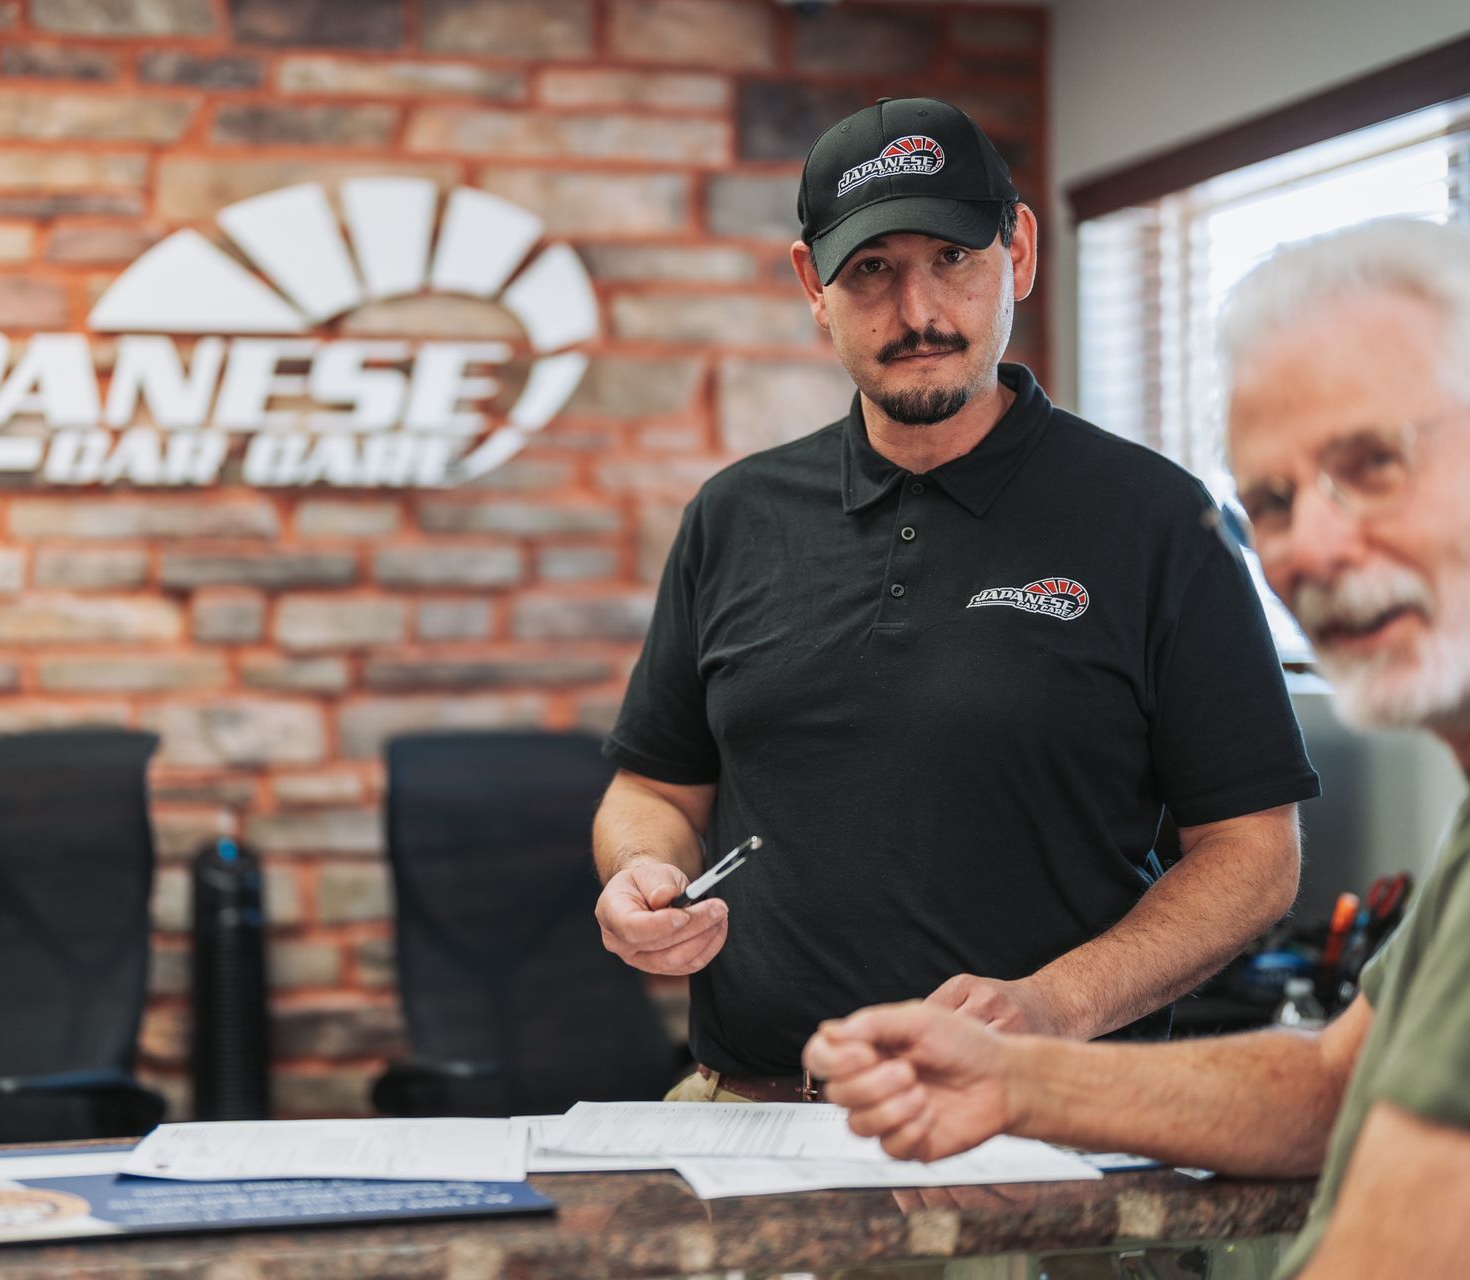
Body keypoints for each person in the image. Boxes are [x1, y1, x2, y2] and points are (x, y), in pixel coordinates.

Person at [593, 96, 1319, 1102]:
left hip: (1048, 1120)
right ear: (813, 285)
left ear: (1016, 251)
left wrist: (1051, 1008)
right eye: (872, 271)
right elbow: (658, 791)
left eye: (952, 258)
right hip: (749, 1114)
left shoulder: (1156, 519)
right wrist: (639, 871)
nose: (920, 312)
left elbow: (1253, 854)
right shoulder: (734, 516)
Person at [804, 217, 1470, 1278]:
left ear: (1014, 257)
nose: (1314, 546)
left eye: (1375, 462)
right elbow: (1340, 1083)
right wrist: (1018, 1078)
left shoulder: (1136, 515)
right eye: (1274, 502)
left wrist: (1054, 1011)